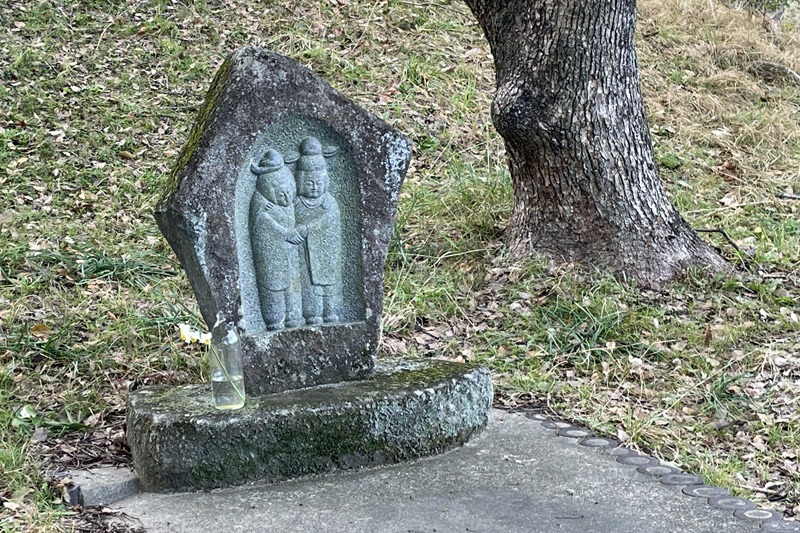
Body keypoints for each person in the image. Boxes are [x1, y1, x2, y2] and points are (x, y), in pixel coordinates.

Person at [249, 149, 303, 330]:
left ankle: (294, 317)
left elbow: (292, 220)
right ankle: (274, 320)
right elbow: (263, 223)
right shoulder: (260, 202)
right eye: (281, 194)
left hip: (290, 255)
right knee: (273, 288)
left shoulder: (287, 205)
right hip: (271, 256)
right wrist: (286, 233)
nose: (287, 198)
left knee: (293, 288)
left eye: (289, 192)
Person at [291, 137, 342, 325]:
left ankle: (331, 312)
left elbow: (330, 220)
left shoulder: (329, 202)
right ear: (300, 181)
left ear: (325, 181)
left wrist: (308, 228)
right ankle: (312, 314)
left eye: (318, 183)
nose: (314, 187)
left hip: (326, 252)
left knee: (330, 285)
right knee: (309, 284)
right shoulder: (296, 203)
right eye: (309, 183)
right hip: (304, 254)